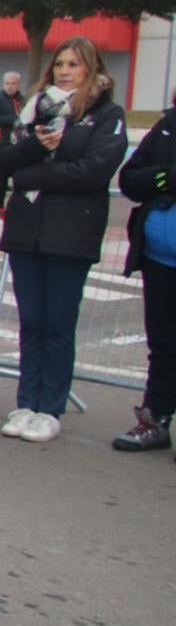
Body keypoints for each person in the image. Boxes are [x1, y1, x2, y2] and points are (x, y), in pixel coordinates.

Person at [0, 36, 127, 443]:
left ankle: (50, 408)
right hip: (27, 228)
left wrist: (37, 175)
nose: (65, 71)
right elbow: (5, 161)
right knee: (31, 321)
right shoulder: (34, 109)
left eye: (74, 64)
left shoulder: (107, 113)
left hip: (71, 232)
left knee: (57, 323)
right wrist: (35, 146)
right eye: (59, 64)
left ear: (90, 68)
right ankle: (26, 403)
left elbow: (95, 170)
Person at [112, 99, 176, 454]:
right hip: (160, 257)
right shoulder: (167, 126)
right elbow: (131, 180)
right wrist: (166, 176)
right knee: (164, 343)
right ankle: (156, 419)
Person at [0, 71, 23, 215]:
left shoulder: (22, 99)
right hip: (0, 144)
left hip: (17, 144)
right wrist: (14, 120)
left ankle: (17, 206)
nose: (10, 86)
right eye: (7, 83)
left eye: (13, 83)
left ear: (18, 84)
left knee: (19, 175)